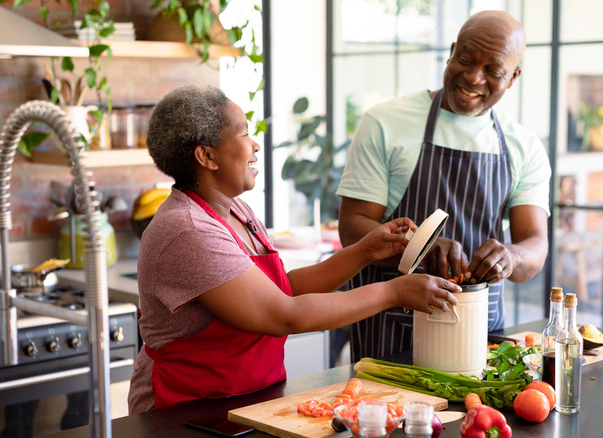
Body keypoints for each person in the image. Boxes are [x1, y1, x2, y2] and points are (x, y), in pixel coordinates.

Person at [127, 84, 459, 414]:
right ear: (207, 156)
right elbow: (283, 314)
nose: (255, 145)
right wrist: (394, 293)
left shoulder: (236, 210)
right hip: (186, 409)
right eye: (244, 135)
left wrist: (364, 251)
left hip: (248, 397)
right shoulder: (188, 229)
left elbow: (280, 290)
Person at [336, 10, 551, 362]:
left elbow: (535, 248)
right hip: (392, 333)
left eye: (493, 71)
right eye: (465, 59)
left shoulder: (523, 145)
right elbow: (352, 227)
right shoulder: (385, 123)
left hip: (482, 332)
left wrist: (510, 256)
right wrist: (419, 245)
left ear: (513, 77)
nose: (473, 77)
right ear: (451, 51)